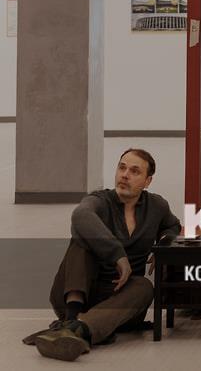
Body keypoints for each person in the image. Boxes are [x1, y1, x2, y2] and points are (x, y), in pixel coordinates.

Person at [25, 148, 181, 361]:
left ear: (147, 181)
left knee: (145, 287)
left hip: (120, 303)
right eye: (122, 168)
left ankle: (75, 329)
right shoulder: (99, 200)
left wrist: (163, 245)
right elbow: (80, 215)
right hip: (80, 294)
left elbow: (172, 226)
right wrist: (118, 255)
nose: (125, 175)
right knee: (81, 241)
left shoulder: (156, 206)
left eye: (134, 171)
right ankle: (74, 320)